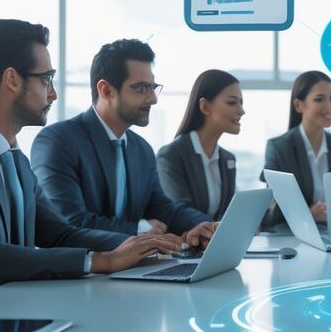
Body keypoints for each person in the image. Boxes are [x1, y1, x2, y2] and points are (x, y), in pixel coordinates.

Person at [0, 20, 182, 308]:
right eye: (46, 79)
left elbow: (59, 234)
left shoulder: (15, 159)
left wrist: (147, 246)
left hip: (8, 319)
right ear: (12, 79)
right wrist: (103, 261)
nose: (53, 94)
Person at [32, 39, 217, 245]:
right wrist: (141, 229)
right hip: (82, 271)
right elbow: (70, 222)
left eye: (153, 87)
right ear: (106, 91)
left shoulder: (141, 149)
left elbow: (164, 209)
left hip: (134, 270)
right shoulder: (58, 142)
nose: (153, 99)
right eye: (141, 88)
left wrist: (208, 225)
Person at [262, 70, 331, 224]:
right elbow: (270, 212)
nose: (329, 107)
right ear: (298, 105)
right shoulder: (279, 148)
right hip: (294, 237)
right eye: (319, 99)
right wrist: (307, 216)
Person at [157, 69, 242, 221]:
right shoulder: (171, 156)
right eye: (232, 102)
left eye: (241, 103)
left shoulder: (227, 159)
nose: (241, 111)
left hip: (216, 242)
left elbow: (228, 212)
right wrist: (217, 227)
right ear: (205, 107)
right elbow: (179, 211)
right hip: (182, 243)